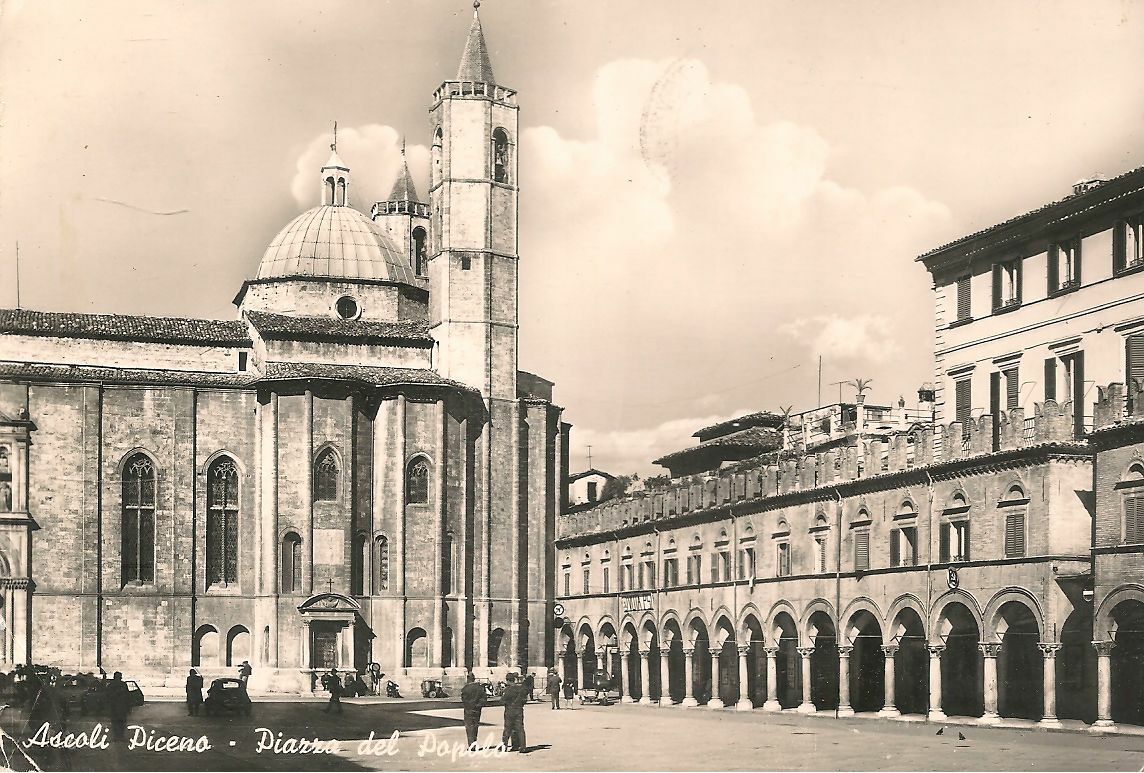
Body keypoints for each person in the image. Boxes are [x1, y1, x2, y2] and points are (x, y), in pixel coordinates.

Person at [500, 672, 527, 753]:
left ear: (507, 680)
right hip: (519, 710)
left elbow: (502, 701)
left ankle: (504, 746)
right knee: (520, 728)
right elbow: (524, 700)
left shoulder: (507, 690)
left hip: (509, 711)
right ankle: (522, 747)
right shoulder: (520, 689)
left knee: (507, 729)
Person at [459, 672, 487, 749]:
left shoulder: (465, 688)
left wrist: (468, 706)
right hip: (477, 710)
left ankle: (471, 744)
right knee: (475, 726)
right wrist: (478, 706)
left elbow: (464, 700)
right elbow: (484, 698)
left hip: (469, 710)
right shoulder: (480, 687)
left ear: (468, 679)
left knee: (469, 727)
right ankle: (474, 742)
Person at [106, 672, 131, 742]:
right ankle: (120, 736)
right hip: (121, 707)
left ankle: (116, 736)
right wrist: (129, 708)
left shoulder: (110, 685)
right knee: (121, 723)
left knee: (115, 723)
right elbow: (128, 697)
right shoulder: (123, 685)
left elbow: (107, 697)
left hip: (114, 707)